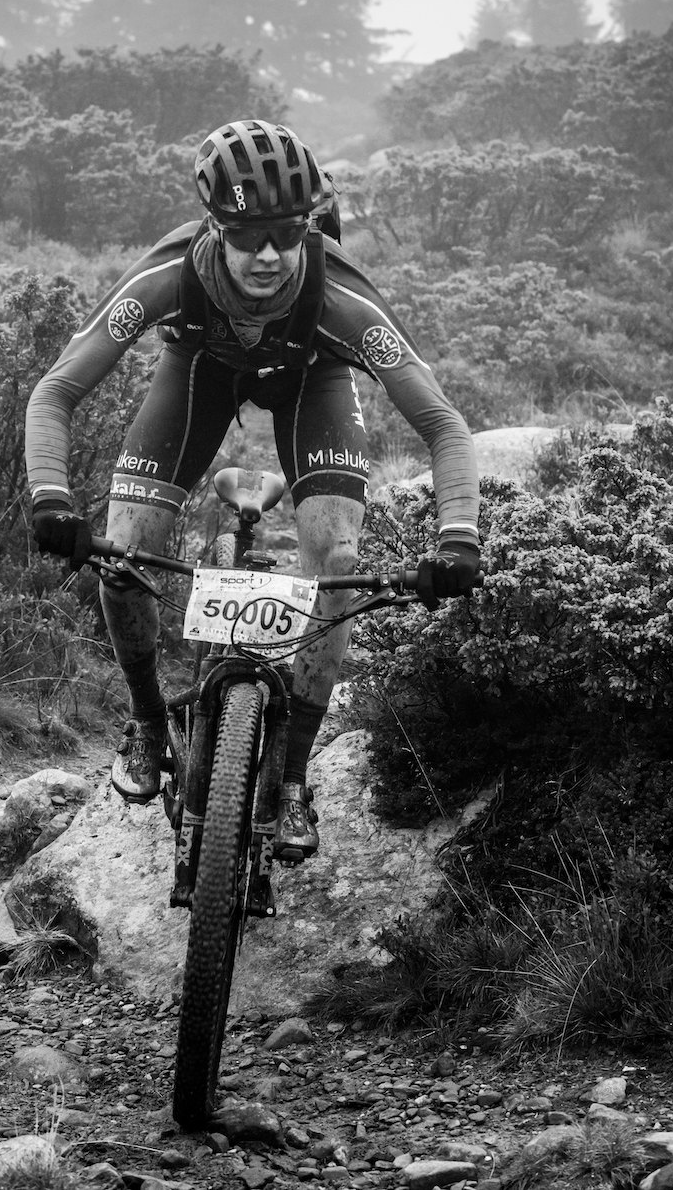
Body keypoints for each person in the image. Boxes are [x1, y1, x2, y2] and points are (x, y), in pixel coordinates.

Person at [26, 119, 480, 859]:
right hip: (199, 372)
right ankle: (147, 721)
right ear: (216, 225)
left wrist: (458, 535)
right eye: (248, 235)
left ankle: (293, 778)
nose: (269, 254)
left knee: (335, 563)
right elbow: (56, 392)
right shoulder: (171, 278)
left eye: (288, 233)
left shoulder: (340, 299)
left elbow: (443, 423)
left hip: (314, 380)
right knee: (124, 551)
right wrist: (50, 496)